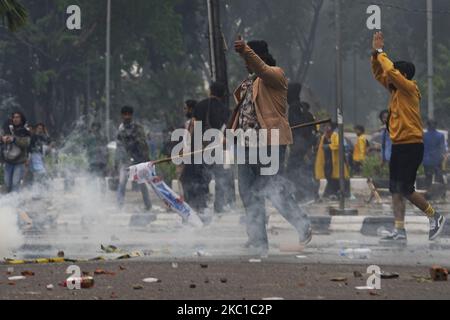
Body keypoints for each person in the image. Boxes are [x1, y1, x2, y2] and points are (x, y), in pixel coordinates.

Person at [230, 37, 312, 254]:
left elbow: (262, 70)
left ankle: (302, 224)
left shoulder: (275, 75)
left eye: (250, 58)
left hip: (269, 143)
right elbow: (241, 112)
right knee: (248, 192)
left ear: (259, 57)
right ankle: (258, 241)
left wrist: (246, 51)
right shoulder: (247, 82)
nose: (246, 62)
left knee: (272, 189)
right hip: (246, 144)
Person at [371, 31, 445, 242]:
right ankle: (399, 230)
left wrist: (381, 51)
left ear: (402, 75)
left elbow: (390, 73)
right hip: (399, 145)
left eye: (394, 73)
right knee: (394, 188)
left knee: (405, 188)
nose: (388, 78)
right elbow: (379, 73)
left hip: (412, 145)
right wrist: (374, 55)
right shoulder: (395, 91)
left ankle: (435, 216)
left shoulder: (409, 88)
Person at [193, 82, 232, 214]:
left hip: (201, 148)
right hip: (218, 148)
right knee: (220, 178)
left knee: (202, 177)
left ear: (210, 91)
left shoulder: (200, 106)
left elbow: (195, 127)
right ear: (223, 95)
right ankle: (218, 207)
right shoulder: (226, 110)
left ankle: (201, 205)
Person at [115, 106, 153, 212]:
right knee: (122, 182)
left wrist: (145, 158)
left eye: (128, 114)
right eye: (125, 114)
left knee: (141, 183)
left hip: (138, 159)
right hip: (126, 160)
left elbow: (143, 144)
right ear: (122, 115)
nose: (127, 116)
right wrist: (117, 160)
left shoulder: (137, 127)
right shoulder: (121, 129)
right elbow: (119, 146)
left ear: (131, 115)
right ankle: (119, 205)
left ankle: (148, 205)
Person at [286, 83, 318, 201]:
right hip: (303, 143)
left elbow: (296, 126)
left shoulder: (294, 107)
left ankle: (303, 194)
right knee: (301, 169)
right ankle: (307, 193)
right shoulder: (302, 108)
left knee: (292, 170)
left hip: (299, 144)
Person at [179, 100, 209, 214]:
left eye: (185, 108)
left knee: (194, 184)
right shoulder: (189, 123)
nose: (184, 111)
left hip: (195, 160)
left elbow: (198, 142)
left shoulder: (197, 123)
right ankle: (192, 210)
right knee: (187, 182)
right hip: (190, 159)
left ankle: (197, 210)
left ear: (191, 109)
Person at [315, 122, 350, 199]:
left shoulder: (335, 135)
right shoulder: (323, 137)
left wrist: (329, 146)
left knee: (336, 176)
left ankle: (335, 193)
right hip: (326, 160)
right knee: (328, 175)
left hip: (335, 160)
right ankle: (331, 193)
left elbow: (338, 145)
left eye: (328, 126)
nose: (326, 128)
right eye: (325, 126)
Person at [0, 111, 31, 193]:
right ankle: (8, 202)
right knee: (7, 184)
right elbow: (1, 138)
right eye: (14, 117)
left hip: (19, 162)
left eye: (18, 117)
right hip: (8, 161)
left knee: (15, 183)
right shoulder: (7, 129)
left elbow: (26, 143)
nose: (15, 119)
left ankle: (15, 202)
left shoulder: (25, 131)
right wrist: (2, 138)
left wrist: (14, 139)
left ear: (21, 119)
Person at [423, 120, 446, 190]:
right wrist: (442, 156)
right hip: (437, 159)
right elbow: (442, 148)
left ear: (427, 126)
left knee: (428, 177)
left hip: (427, 160)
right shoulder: (440, 135)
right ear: (436, 126)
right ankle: (442, 193)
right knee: (439, 176)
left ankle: (428, 192)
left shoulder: (424, 135)